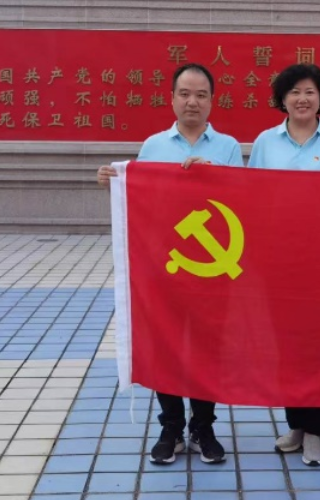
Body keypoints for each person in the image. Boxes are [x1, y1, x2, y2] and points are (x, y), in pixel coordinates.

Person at [97, 63, 243, 466]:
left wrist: (216, 177)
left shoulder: (228, 147)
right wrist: (115, 183)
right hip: (167, 268)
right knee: (168, 346)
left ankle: (204, 427)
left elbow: (243, 201)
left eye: (201, 95)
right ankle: (172, 427)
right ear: (172, 98)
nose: (192, 101)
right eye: (185, 93)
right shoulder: (153, 145)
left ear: (212, 101)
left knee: (208, 349)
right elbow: (142, 199)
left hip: (213, 270)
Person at [248, 63, 320, 466]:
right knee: (289, 346)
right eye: (294, 91)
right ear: (282, 98)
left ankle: (317, 432)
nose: (302, 98)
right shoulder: (266, 142)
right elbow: (249, 195)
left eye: (310, 92)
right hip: (280, 263)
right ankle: (296, 424)